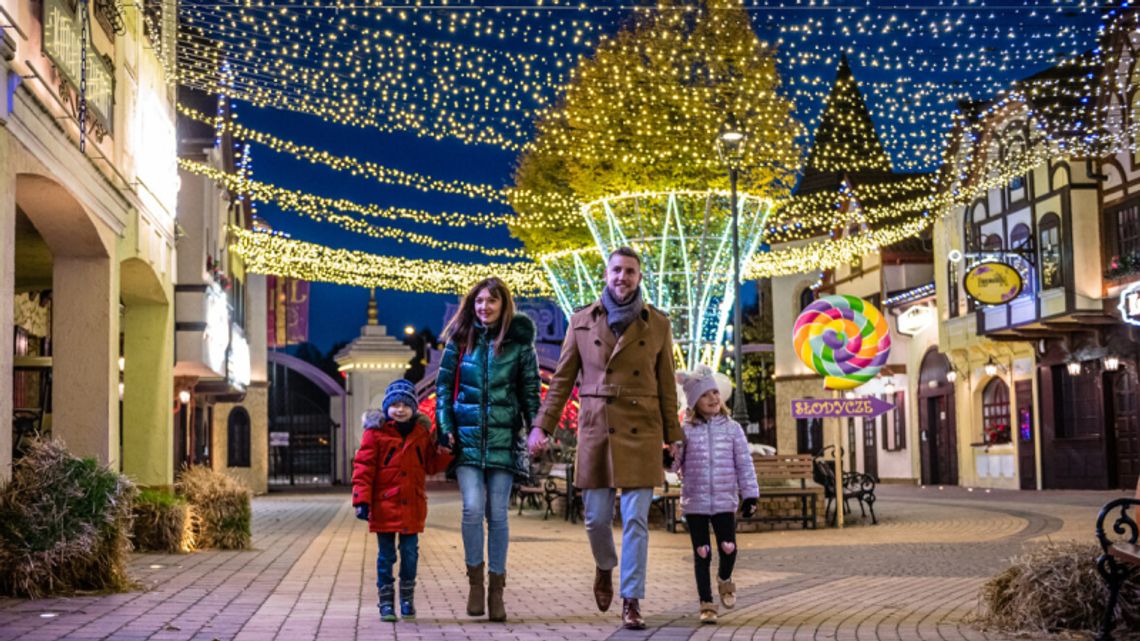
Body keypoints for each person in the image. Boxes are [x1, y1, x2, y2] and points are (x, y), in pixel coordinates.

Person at [529, 246, 683, 630]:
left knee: (635, 520)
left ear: (639, 277)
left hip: (643, 427)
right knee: (596, 519)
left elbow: (667, 387)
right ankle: (604, 566)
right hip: (597, 427)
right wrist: (542, 426)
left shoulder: (658, 324)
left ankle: (631, 598)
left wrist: (674, 436)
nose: (622, 277)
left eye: (630, 271)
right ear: (605, 274)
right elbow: (562, 379)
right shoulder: (582, 321)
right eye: (617, 270)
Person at [436, 277, 542, 622]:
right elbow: (441, 390)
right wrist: (446, 428)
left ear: (503, 304)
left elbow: (530, 393)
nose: (485, 307)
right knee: (471, 508)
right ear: (472, 304)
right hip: (466, 440)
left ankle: (497, 590)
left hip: (503, 441)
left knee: (497, 514)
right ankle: (475, 584)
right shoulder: (460, 340)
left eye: (491, 301)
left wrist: (535, 430)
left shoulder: (520, 346)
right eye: (479, 301)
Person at [352, 379, 453, 622]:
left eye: (405, 405)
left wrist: (445, 451)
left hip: (413, 504)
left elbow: (430, 465)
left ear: (413, 408)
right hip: (384, 505)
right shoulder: (375, 434)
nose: (400, 409)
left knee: (410, 554)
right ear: (386, 407)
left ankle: (407, 598)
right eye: (395, 404)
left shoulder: (421, 434)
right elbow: (363, 467)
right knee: (386, 556)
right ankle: (386, 602)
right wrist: (361, 500)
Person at [673, 366, 759, 624]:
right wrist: (668, 454)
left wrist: (750, 495)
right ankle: (706, 602)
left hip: (724, 500)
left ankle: (724, 578)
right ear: (693, 402)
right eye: (705, 395)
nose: (713, 398)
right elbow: (674, 465)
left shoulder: (732, 429)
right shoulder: (685, 430)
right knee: (702, 552)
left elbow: (744, 464)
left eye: (714, 393)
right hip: (695, 502)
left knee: (728, 548)